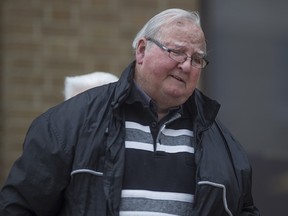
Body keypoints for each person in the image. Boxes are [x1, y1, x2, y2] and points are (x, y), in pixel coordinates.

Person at [0, 8, 259, 216]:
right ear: (142, 50)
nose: (187, 66)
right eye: (177, 52)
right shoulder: (68, 125)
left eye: (197, 59)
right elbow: (20, 206)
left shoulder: (222, 144)